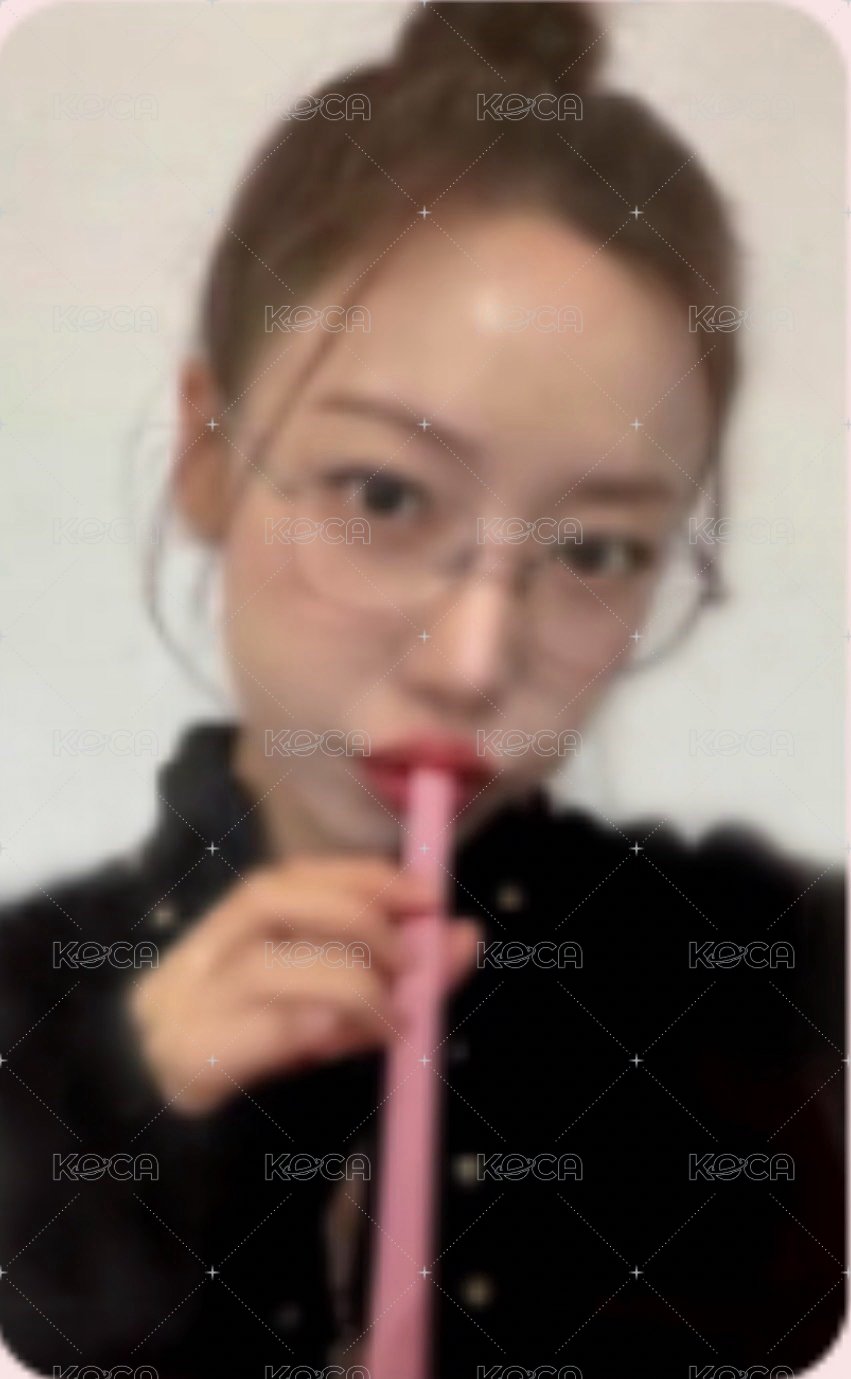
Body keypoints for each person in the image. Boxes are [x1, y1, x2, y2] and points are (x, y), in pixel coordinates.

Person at [0, 4, 844, 1377]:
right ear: (209, 453)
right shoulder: (27, 1021)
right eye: (384, 495)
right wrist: (125, 1161)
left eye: (596, 552)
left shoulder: (773, 992)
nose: (471, 661)